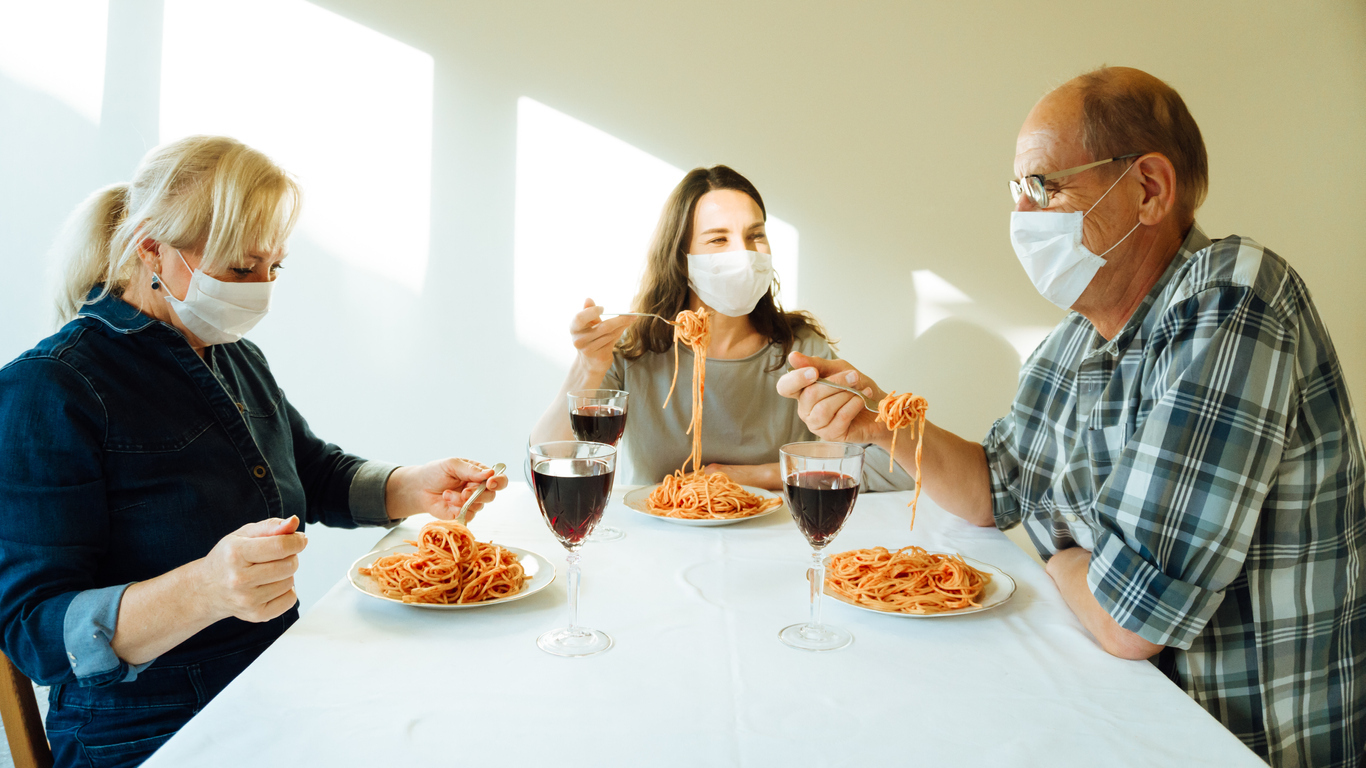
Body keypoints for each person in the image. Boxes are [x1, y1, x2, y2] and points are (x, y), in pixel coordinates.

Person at [777, 67, 1364, 767]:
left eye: (1043, 187)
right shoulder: (1078, 338)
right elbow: (996, 489)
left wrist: (1061, 562)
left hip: (1235, 738)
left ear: (1148, 189)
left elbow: (1129, 620)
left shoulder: (1233, 298)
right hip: (1124, 709)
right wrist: (880, 423)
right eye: (1015, 193)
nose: (1022, 218)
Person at [0, 136, 509, 768]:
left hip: (276, 677)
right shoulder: (50, 386)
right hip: (145, 729)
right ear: (151, 247)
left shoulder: (230, 353)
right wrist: (205, 590)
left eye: (274, 267)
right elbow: (35, 632)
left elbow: (313, 472)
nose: (262, 288)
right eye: (242, 269)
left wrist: (411, 486)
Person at [530, 165, 908, 491]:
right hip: (653, 545)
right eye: (718, 239)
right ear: (681, 259)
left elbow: (898, 465)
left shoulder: (800, 351)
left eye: (755, 235)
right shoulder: (632, 348)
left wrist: (754, 476)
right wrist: (588, 367)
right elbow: (545, 466)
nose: (742, 254)